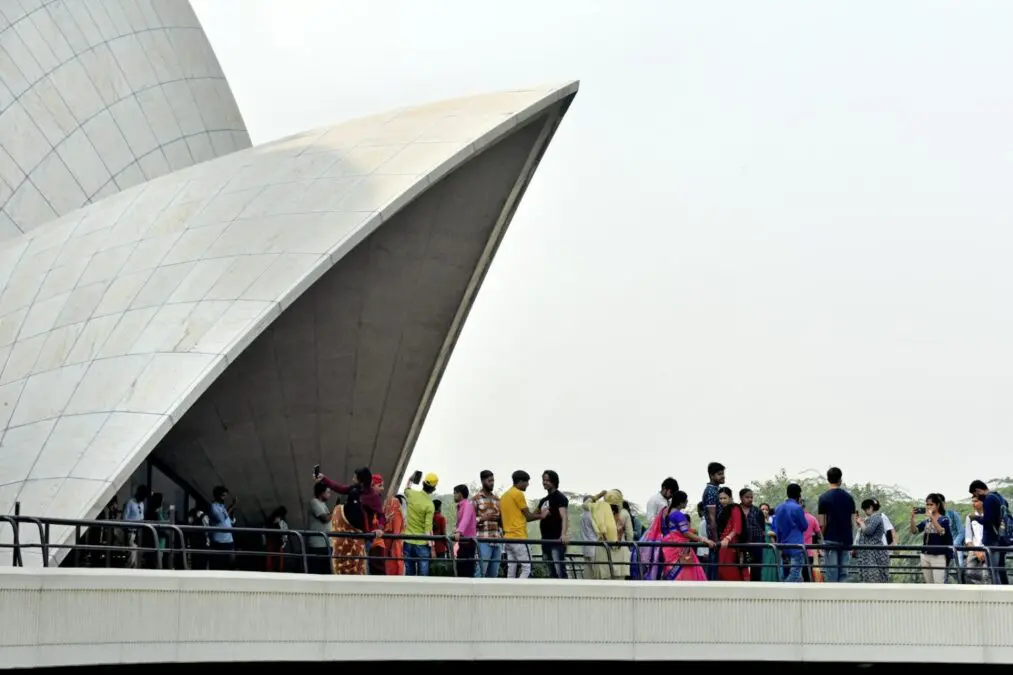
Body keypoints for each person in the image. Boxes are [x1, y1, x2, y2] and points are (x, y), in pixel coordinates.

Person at [318, 468, 385, 575]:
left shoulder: (373, 497)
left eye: (355, 478)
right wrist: (324, 479)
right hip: (347, 536)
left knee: (362, 564)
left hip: (363, 537)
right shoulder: (355, 489)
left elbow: (381, 515)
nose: (353, 479)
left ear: (361, 480)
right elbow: (340, 488)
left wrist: (379, 528)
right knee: (342, 563)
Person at [645, 490, 712, 581]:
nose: (687, 502)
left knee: (669, 571)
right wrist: (703, 539)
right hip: (680, 549)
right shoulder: (678, 515)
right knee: (686, 573)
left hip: (667, 547)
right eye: (686, 500)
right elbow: (686, 533)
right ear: (681, 503)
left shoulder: (665, 513)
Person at [500, 470, 546, 579]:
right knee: (527, 567)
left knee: (512, 566)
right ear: (520, 481)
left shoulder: (504, 496)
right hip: (519, 537)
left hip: (507, 538)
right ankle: (519, 591)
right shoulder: (518, 493)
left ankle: (510, 591)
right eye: (527, 482)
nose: (528, 484)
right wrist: (542, 516)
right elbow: (528, 516)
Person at [817, 467, 856, 583]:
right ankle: (843, 598)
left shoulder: (823, 498)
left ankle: (832, 598)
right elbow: (852, 521)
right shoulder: (849, 498)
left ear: (828, 479)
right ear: (840, 479)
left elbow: (821, 523)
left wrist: (821, 539)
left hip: (830, 540)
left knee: (831, 573)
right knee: (844, 573)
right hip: (846, 540)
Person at [969, 479, 1008, 585]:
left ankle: (997, 594)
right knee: (1000, 568)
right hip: (1002, 538)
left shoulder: (988, 500)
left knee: (992, 570)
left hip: (993, 539)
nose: (976, 496)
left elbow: (987, 521)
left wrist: (975, 518)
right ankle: (1005, 592)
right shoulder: (999, 497)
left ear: (978, 490)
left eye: (975, 494)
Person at [909, 493, 952, 584]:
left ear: (938, 505)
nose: (929, 506)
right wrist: (912, 518)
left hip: (938, 556)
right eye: (927, 504)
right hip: (925, 555)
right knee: (929, 585)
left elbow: (941, 531)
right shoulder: (926, 521)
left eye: (931, 504)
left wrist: (932, 517)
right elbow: (914, 531)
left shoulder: (944, 519)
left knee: (939, 584)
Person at [537, 470, 570, 579]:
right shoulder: (543, 500)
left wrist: (564, 534)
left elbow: (564, 516)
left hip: (556, 540)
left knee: (559, 570)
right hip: (545, 539)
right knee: (550, 570)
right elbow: (533, 515)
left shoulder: (560, 497)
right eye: (543, 480)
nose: (544, 482)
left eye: (547, 480)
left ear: (554, 481)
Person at [403, 472, 437, 576]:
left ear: (423, 483)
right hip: (422, 544)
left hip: (408, 541)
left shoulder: (412, 494)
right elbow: (428, 527)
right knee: (423, 575)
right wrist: (432, 548)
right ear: (433, 489)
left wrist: (411, 478)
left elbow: (407, 488)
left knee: (409, 573)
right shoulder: (430, 505)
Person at [472, 470, 503, 578]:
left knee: (493, 575)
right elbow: (470, 522)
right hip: (483, 541)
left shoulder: (497, 499)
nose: (492, 483)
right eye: (490, 481)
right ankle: (476, 595)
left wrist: (500, 518)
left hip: (497, 540)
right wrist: (483, 518)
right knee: (480, 572)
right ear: (482, 481)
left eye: (493, 480)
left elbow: (502, 522)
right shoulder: (476, 499)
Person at [715, 486, 747, 581]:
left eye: (725, 498)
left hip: (731, 543)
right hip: (723, 543)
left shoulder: (735, 508)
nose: (722, 501)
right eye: (720, 498)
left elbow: (737, 528)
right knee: (722, 569)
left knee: (730, 569)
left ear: (730, 498)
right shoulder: (723, 510)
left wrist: (728, 538)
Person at [855, 499, 889, 583]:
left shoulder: (876, 518)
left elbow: (868, 531)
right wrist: (861, 523)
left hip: (874, 553)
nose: (865, 512)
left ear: (870, 508)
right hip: (868, 553)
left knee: (874, 577)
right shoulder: (870, 519)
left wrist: (861, 522)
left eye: (865, 509)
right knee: (868, 578)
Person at [701, 462, 726, 581]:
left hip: (718, 534)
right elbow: (711, 518)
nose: (723, 476)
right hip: (715, 536)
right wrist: (716, 540)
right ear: (711, 475)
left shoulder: (716, 489)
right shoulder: (711, 491)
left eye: (723, 473)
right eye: (719, 474)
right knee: (714, 565)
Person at [587, 490, 617, 579]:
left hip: (602, 546)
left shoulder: (599, 510)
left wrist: (598, 495)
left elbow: (586, 504)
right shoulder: (617, 515)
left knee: (601, 574)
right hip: (611, 548)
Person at [740, 488, 767, 582]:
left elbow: (763, 530)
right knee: (741, 568)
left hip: (756, 543)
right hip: (741, 544)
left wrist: (762, 542)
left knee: (756, 570)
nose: (750, 499)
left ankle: (756, 590)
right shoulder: (736, 510)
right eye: (747, 497)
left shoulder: (757, 511)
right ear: (741, 498)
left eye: (751, 497)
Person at [306, 482, 333, 575]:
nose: (330, 494)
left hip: (326, 543)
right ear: (321, 493)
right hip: (318, 545)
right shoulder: (315, 502)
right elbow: (325, 518)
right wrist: (336, 510)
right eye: (328, 492)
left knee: (327, 571)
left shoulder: (323, 504)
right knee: (317, 571)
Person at [208, 485, 236, 571]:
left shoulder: (222, 507)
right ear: (218, 496)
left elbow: (230, 521)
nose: (224, 499)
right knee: (219, 565)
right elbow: (220, 518)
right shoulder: (213, 507)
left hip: (229, 539)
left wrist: (232, 509)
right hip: (219, 540)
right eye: (223, 496)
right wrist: (230, 508)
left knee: (231, 563)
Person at [453, 484, 477, 578]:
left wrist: (459, 531)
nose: (454, 495)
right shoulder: (461, 506)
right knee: (461, 566)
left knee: (466, 568)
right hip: (463, 541)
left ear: (460, 494)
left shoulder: (467, 504)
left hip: (469, 542)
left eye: (455, 493)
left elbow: (465, 520)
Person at [963, 495, 988, 585]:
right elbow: (968, 538)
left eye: (976, 501)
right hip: (974, 549)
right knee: (969, 573)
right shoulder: (969, 517)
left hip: (988, 549)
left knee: (986, 575)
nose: (973, 504)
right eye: (972, 501)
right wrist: (976, 551)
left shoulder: (990, 516)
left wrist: (985, 551)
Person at [123, 485, 149, 569]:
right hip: (131, 532)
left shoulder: (141, 504)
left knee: (138, 558)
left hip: (139, 533)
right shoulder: (130, 502)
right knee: (132, 557)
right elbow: (125, 518)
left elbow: (142, 518)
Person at [383, 494, 406, 576]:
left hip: (388, 544)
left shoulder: (387, 515)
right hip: (394, 546)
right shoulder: (397, 514)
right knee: (395, 565)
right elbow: (396, 534)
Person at [263, 506, 288, 572]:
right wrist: (283, 545)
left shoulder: (269, 520)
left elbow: (264, 532)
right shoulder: (282, 522)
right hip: (277, 543)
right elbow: (285, 534)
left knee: (270, 561)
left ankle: (270, 571)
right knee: (278, 562)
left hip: (271, 543)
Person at [579, 496, 598, 579]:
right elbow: (597, 531)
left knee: (588, 571)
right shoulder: (592, 516)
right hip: (594, 546)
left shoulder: (582, 516)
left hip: (585, 546)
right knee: (595, 572)